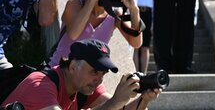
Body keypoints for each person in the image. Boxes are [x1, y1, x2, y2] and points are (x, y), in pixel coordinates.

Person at [2, 39, 161, 110]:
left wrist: (144, 98)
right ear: (72, 66)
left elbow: (122, 109)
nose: (99, 79)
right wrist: (114, 102)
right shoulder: (40, 84)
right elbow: (112, 106)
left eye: (103, 73)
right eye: (94, 71)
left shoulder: (84, 84)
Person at [49, 0, 143, 66]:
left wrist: (134, 9)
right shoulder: (75, 4)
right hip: (61, 69)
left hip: (89, 75)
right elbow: (73, 34)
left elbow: (136, 43)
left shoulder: (115, 13)